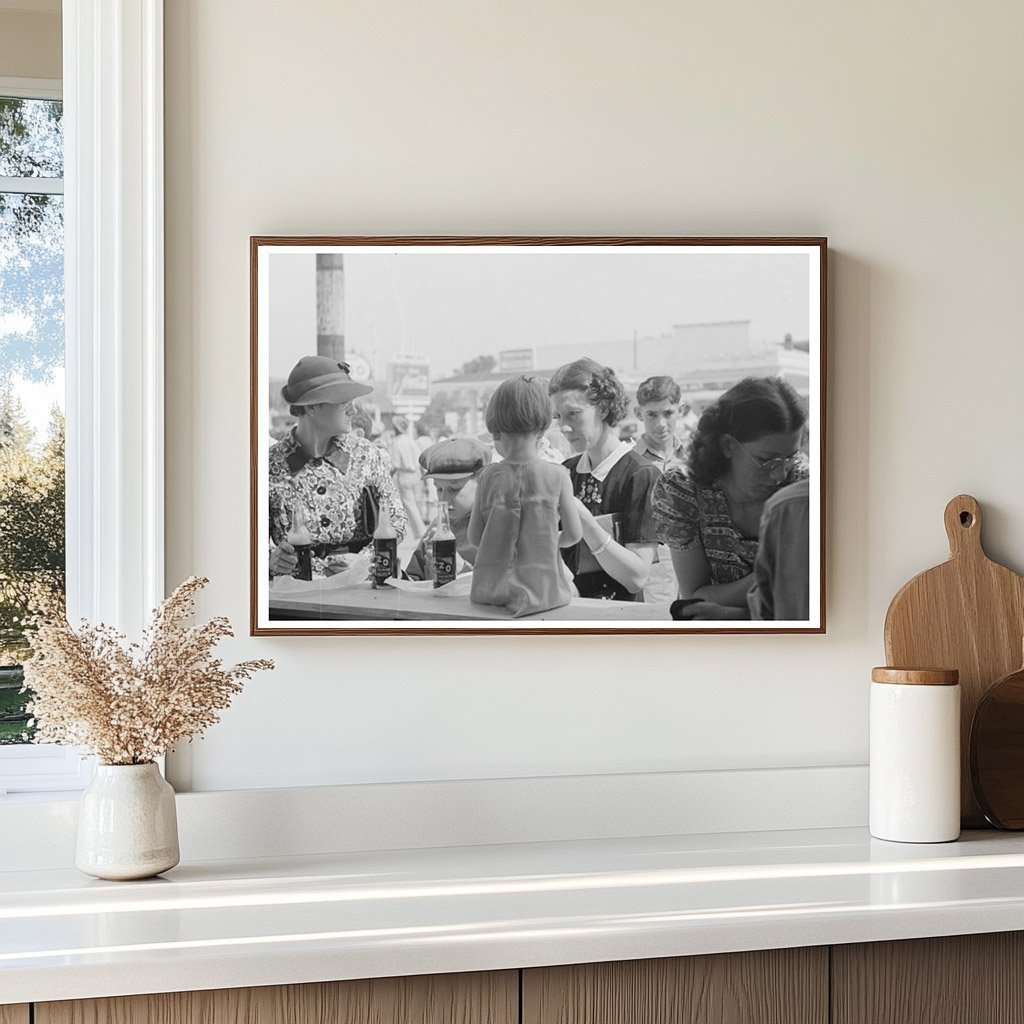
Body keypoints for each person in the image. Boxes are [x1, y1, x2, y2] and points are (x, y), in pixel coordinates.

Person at [651, 376, 808, 620]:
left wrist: (728, 612)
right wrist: (771, 577)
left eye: (790, 457)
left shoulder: (802, 489)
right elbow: (694, 595)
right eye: (767, 460)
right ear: (727, 445)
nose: (779, 474)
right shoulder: (684, 490)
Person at [268, 356, 407, 579]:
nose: (353, 411)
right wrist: (272, 559)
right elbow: (245, 540)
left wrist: (363, 560)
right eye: (344, 403)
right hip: (296, 598)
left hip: (362, 587)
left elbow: (396, 521)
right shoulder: (269, 465)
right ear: (312, 407)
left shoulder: (366, 455)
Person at [469, 376, 582, 617]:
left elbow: (475, 537)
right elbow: (574, 534)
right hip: (546, 594)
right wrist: (547, 542)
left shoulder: (487, 477)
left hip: (490, 592)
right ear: (542, 426)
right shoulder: (558, 475)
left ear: (495, 426)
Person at [548, 358, 660, 601]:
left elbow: (636, 578)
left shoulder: (640, 475)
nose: (564, 427)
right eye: (558, 417)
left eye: (573, 414)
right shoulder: (564, 472)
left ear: (605, 409)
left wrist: (583, 520)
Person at [633, 375, 689, 604]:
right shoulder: (631, 463)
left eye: (668, 413)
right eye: (652, 415)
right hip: (655, 566)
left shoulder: (694, 459)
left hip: (692, 563)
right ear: (639, 414)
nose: (661, 424)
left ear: (681, 410)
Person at [405, 438, 490, 582]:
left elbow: (501, 585)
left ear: (482, 482)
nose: (444, 499)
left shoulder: (493, 524)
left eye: (453, 489)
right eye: (438, 489)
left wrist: (462, 569)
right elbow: (414, 576)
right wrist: (395, 575)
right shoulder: (439, 525)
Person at [748, 478, 811, 621]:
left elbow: (767, 611)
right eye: (763, 459)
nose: (781, 474)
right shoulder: (789, 504)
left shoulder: (788, 505)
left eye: (789, 458)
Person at [390, 415, 426, 540]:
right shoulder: (412, 441)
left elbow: (394, 464)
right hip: (416, 474)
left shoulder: (397, 443)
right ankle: (420, 531)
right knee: (417, 503)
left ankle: (421, 532)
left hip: (404, 475)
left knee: (410, 505)